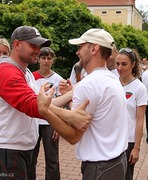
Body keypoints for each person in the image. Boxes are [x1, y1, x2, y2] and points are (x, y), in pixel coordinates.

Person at [0, 25, 91, 180]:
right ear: (16, 44)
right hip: (9, 150)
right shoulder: (6, 71)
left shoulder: (26, 72)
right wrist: (69, 116)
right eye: (32, 45)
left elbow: (45, 103)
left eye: (39, 46)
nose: (38, 50)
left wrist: (72, 92)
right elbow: (34, 106)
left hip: (20, 148)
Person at [37, 28, 129, 180]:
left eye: (80, 47)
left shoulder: (88, 84)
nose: (77, 52)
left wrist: (46, 110)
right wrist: (72, 93)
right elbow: (89, 114)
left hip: (99, 167)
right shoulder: (111, 78)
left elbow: (73, 136)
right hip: (116, 162)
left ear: (94, 48)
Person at [28, 47, 62, 180]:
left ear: (53, 60)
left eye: (49, 58)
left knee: (52, 159)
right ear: (38, 59)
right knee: (31, 157)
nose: (46, 61)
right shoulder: (31, 77)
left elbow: (63, 103)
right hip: (34, 122)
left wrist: (58, 126)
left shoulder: (58, 79)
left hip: (50, 122)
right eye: (43, 58)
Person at [116, 47, 147, 180]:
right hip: (112, 140)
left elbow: (140, 120)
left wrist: (136, 148)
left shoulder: (139, 88)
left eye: (124, 64)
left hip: (128, 141)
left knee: (126, 176)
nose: (120, 68)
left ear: (133, 65)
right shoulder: (112, 84)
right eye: (118, 64)